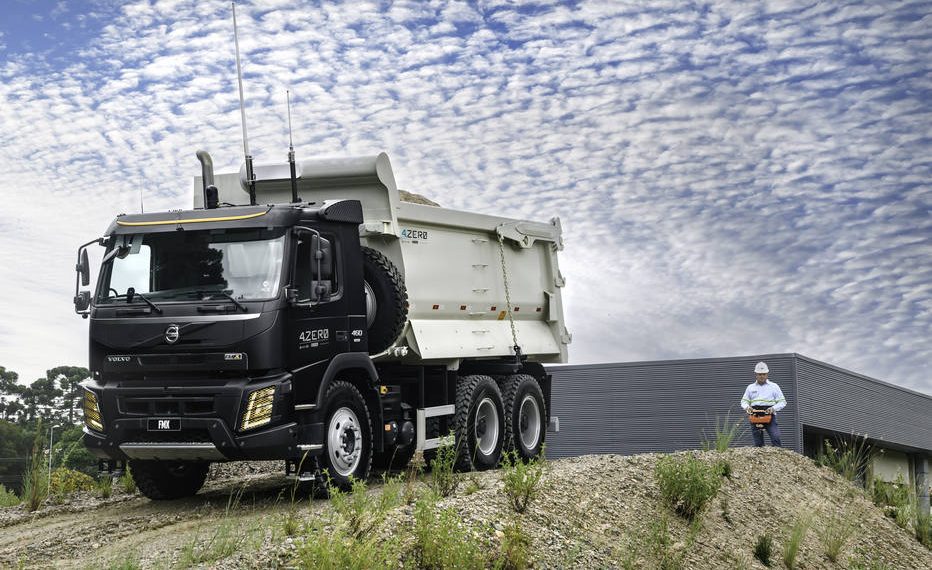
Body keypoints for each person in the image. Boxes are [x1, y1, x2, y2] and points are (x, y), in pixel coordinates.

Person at [740, 362, 786, 447]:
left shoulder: (774, 386)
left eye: (763, 374)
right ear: (756, 375)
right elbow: (744, 401)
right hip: (755, 415)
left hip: (769, 414)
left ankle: (778, 454)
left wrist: (773, 408)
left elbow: (782, 402)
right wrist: (747, 408)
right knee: (758, 442)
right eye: (759, 374)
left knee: (776, 437)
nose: (762, 376)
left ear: (767, 374)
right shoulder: (750, 387)